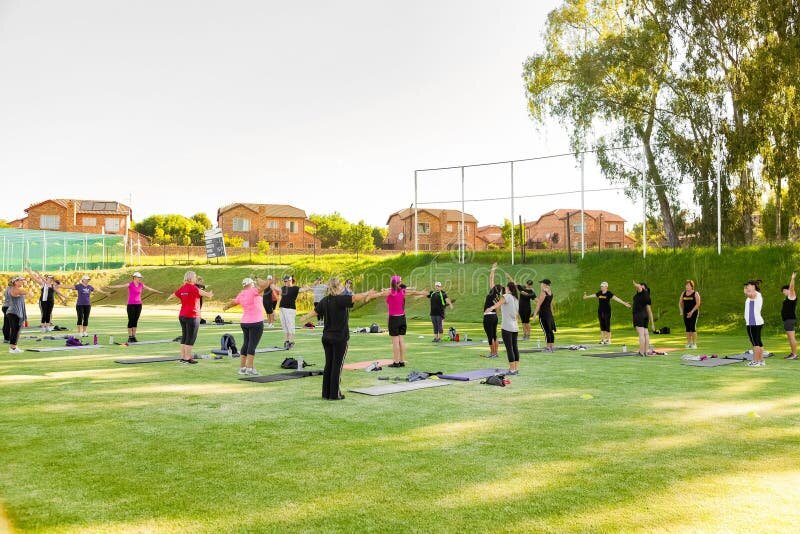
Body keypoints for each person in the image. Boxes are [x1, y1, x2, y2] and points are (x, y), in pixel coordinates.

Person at [299, 278, 376, 400]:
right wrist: (367, 293)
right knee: (337, 366)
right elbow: (355, 298)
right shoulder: (340, 300)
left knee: (328, 365)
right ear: (337, 287)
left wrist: (305, 317)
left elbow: (315, 311)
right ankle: (335, 394)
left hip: (326, 338)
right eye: (340, 285)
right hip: (339, 338)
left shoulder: (325, 300)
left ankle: (326, 393)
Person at [376, 275, 426, 367]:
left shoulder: (391, 292)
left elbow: (379, 294)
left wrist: (369, 295)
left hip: (394, 319)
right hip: (402, 318)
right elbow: (413, 292)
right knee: (401, 340)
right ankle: (402, 361)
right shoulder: (402, 292)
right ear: (398, 283)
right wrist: (421, 293)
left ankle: (396, 362)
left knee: (395, 342)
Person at [224, 278, 269, 376]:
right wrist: (268, 280)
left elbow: (234, 302)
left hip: (245, 322)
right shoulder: (252, 291)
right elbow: (264, 286)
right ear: (251, 284)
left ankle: (242, 368)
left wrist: (226, 307)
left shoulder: (242, 293)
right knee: (252, 345)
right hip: (256, 322)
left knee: (246, 344)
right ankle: (249, 368)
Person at [167, 271, 213, 364]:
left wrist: (178, 299)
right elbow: (208, 295)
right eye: (195, 277)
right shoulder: (194, 288)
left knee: (184, 336)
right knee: (191, 338)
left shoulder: (182, 288)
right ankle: (187, 358)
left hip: (182, 315)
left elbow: (171, 296)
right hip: (192, 316)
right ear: (191, 278)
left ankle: (183, 357)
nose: (196, 278)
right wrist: (210, 293)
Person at [107, 272, 163, 343]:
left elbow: (149, 288)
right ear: (135, 277)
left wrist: (157, 291)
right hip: (131, 305)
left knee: (135, 320)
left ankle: (133, 336)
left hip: (139, 305)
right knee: (131, 320)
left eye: (140, 278)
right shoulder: (130, 284)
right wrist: (111, 287)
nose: (140, 279)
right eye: (139, 278)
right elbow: (120, 286)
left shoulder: (141, 285)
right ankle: (130, 337)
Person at [485, 281, 521, 375]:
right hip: (515, 327)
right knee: (515, 347)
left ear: (508, 288)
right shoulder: (516, 298)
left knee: (509, 348)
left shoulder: (507, 296)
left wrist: (490, 308)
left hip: (507, 327)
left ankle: (512, 369)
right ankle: (516, 368)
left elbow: (498, 304)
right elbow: (516, 314)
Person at [278, 275, 310, 349]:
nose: (285, 282)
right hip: (282, 309)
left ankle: (291, 341)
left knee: (290, 325)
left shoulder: (295, 288)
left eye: (286, 281)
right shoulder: (283, 288)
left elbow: (303, 290)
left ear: (290, 280)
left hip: (290, 309)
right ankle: (286, 340)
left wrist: (307, 287)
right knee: (284, 325)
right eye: (284, 281)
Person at [744, 279, 766, 367]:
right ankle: (761, 361)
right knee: (759, 342)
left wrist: (746, 292)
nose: (747, 287)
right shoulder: (757, 294)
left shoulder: (755, 294)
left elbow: (751, 295)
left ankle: (756, 361)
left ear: (753, 286)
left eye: (748, 286)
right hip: (756, 322)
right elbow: (750, 296)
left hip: (753, 322)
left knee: (755, 343)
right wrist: (747, 292)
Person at [482, 263, 502, 359]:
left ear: (495, 288)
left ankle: (493, 353)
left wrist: (493, 269)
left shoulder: (493, 291)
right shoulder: (498, 296)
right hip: (494, 316)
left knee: (490, 336)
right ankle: (495, 353)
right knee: (495, 335)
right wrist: (496, 316)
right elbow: (498, 308)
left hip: (488, 316)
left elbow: (491, 279)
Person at [632, 281, 656, 356]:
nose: (639, 288)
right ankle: (645, 352)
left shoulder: (642, 293)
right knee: (646, 334)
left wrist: (635, 284)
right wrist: (652, 323)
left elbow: (639, 287)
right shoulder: (647, 296)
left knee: (641, 335)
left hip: (639, 316)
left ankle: (641, 352)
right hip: (645, 316)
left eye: (642, 287)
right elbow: (649, 311)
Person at [5, 276, 28, 353]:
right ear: (15, 282)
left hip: (16, 312)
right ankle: (12, 348)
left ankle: (14, 347)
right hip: (14, 312)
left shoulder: (15, 289)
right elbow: (28, 293)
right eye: (20, 281)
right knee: (15, 330)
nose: (22, 282)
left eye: (22, 280)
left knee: (17, 330)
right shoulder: (15, 289)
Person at [533, 279, 557, 352]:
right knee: (550, 331)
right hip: (549, 314)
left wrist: (534, 315)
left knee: (546, 331)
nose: (540, 285)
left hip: (543, 314)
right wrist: (552, 314)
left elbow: (539, 304)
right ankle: (552, 347)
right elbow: (550, 304)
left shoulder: (543, 293)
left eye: (541, 283)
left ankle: (548, 348)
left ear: (545, 284)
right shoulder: (550, 292)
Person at [678, 280, 702, 348]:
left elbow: (698, 304)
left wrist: (691, 312)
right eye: (686, 285)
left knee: (693, 327)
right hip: (686, 312)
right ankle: (689, 343)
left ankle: (694, 344)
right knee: (687, 328)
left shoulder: (695, 293)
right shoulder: (683, 293)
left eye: (688, 285)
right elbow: (680, 302)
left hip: (694, 312)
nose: (687, 286)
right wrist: (681, 310)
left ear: (692, 286)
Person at [781, 272, 797, 360]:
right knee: (790, 339)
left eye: (783, 291)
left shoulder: (792, 295)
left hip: (790, 320)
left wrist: (792, 279)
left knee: (792, 338)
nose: (783, 292)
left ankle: (794, 355)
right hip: (787, 321)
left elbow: (792, 288)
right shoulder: (787, 298)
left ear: (787, 290)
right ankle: (792, 353)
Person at [2, 279, 12, 344]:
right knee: (8, 323)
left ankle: (6, 338)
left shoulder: (7, 288)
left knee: (6, 323)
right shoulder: (11, 289)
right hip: (8, 307)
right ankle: (7, 338)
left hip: (5, 307)